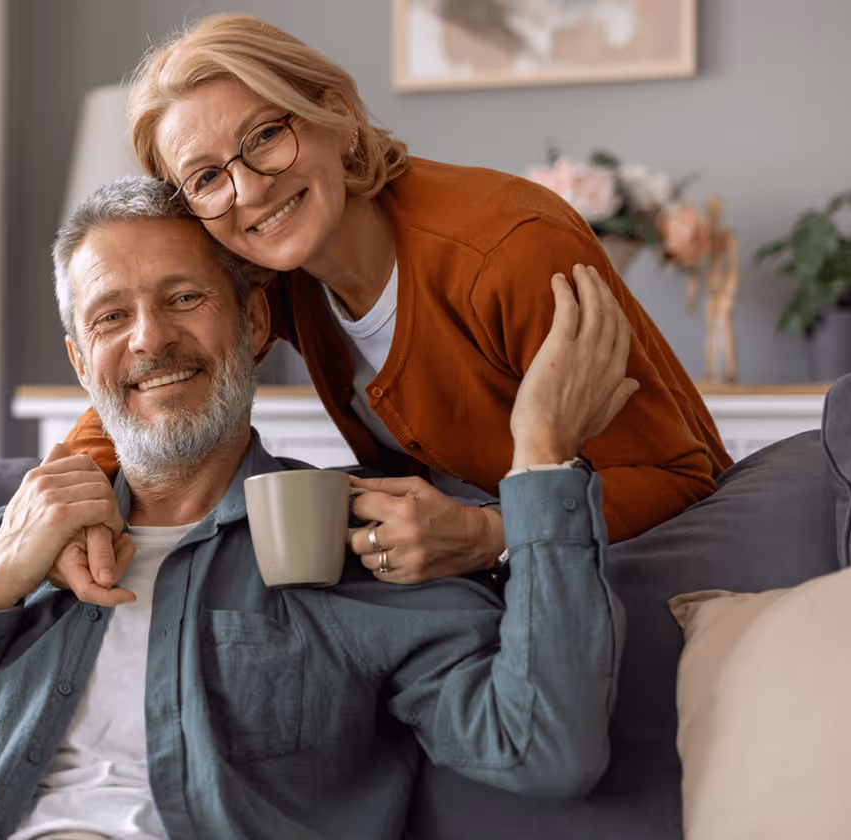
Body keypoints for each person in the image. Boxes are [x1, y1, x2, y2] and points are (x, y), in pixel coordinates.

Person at [0, 177, 629, 840]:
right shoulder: (10, 546)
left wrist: (543, 453)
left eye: (184, 297)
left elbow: (546, 750)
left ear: (254, 323)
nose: (151, 339)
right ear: (83, 363)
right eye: (111, 317)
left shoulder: (359, 534)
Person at [61, 13, 731, 585]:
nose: (251, 190)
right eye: (207, 177)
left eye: (265, 135)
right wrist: (57, 500)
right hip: (498, 588)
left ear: (338, 114)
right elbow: (145, 374)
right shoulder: (273, 269)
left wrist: (484, 533)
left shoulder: (507, 255)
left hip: (652, 573)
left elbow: (679, 476)